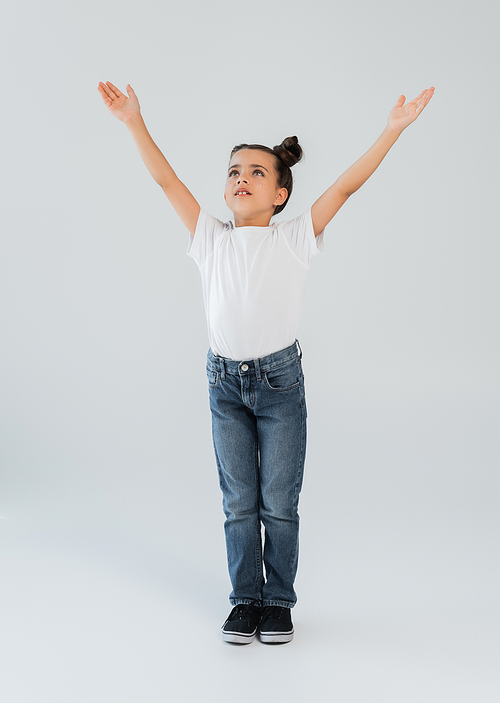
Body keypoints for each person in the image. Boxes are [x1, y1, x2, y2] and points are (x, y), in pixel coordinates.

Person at [97, 80, 435, 644]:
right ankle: (244, 600)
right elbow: (166, 180)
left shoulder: (295, 238)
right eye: (234, 171)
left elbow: (347, 187)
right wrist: (135, 121)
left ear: (280, 194)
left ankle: (278, 600)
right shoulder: (210, 239)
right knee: (238, 503)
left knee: (278, 502)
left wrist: (391, 131)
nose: (241, 179)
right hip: (225, 383)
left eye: (256, 172)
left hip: (280, 384)